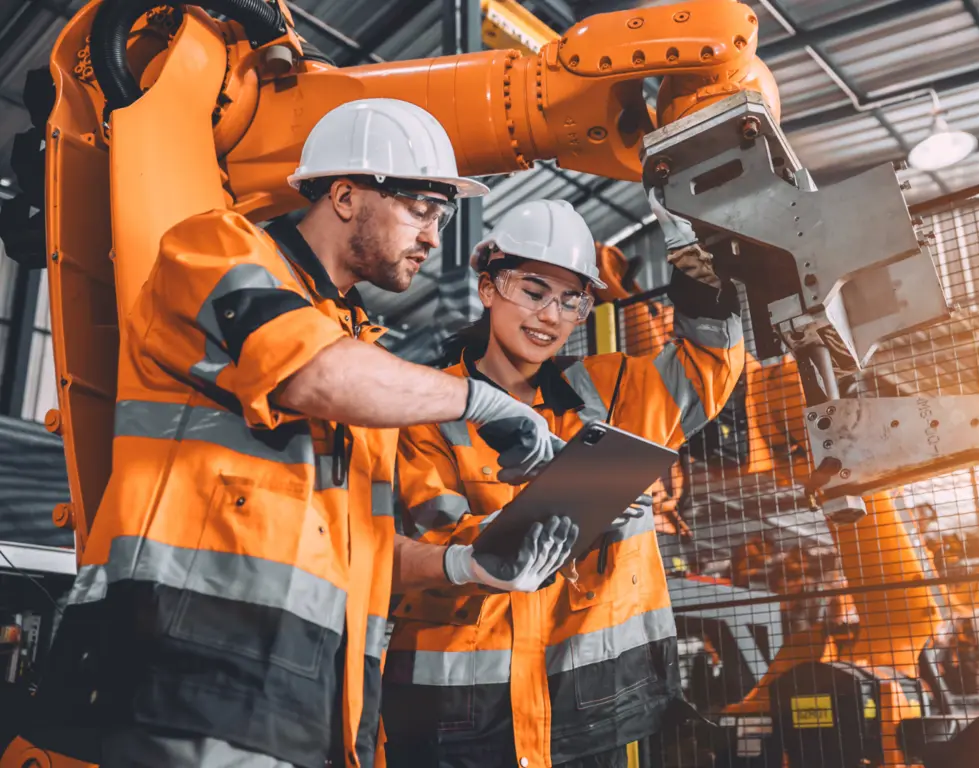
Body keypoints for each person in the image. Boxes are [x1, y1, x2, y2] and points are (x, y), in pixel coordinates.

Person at [31, 99, 577, 768]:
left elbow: (372, 551)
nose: (435, 239)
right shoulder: (216, 250)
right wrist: (483, 401)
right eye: (421, 211)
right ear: (345, 196)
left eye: (440, 218)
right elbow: (311, 374)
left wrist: (466, 563)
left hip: (312, 703)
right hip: (182, 676)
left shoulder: (362, 354)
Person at [381, 197, 746, 768]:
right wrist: (543, 515)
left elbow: (707, 368)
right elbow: (434, 541)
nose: (550, 315)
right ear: (488, 289)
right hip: (457, 712)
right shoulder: (430, 409)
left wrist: (698, 273)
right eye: (532, 290)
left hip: (591, 708)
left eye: (571, 299)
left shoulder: (615, 392)